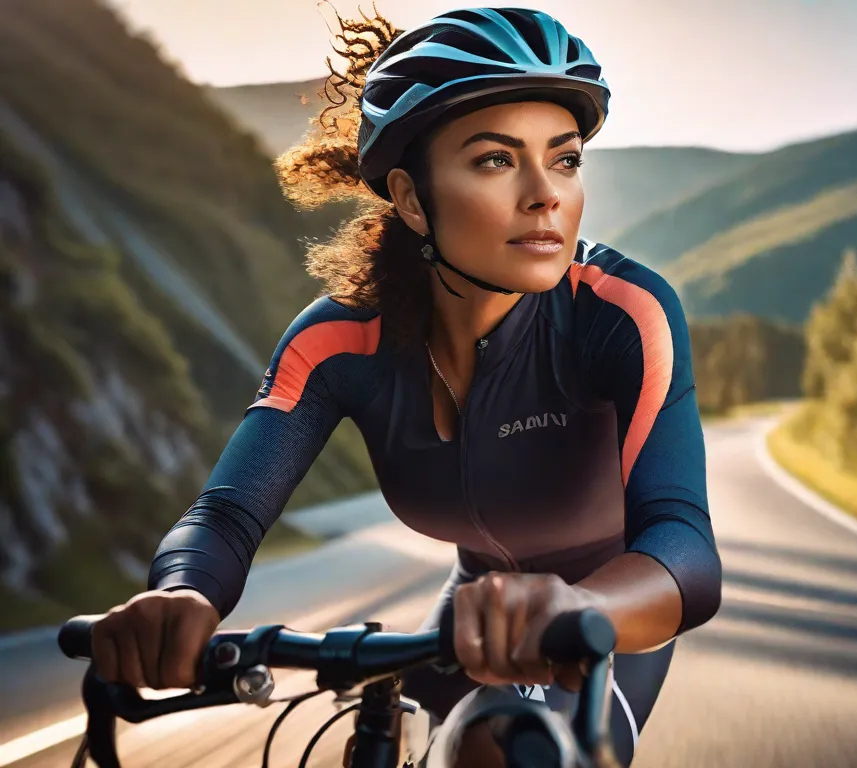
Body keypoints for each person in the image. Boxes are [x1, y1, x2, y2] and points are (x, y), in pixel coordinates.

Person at [88, 6, 722, 766]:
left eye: (565, 158)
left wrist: (579, 605)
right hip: (471, 609)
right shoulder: (340, 341)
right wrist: (181, 594)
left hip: (606, 613)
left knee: (501, 749)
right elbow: (226, 514)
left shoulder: (622, 312)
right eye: (496, 160)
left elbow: (684, 548)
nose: (545, 194)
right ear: (413, 198)